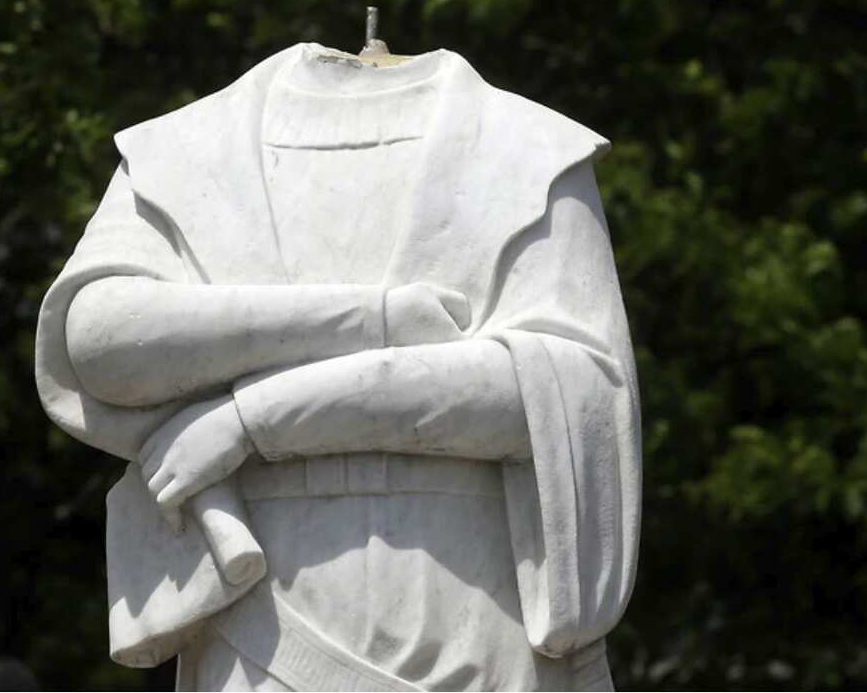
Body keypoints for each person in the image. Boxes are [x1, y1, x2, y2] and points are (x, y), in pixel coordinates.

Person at [35, 42, 641, 691]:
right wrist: (370, 318)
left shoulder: (529, 151)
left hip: (469, 628)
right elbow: (97, 339)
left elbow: (556, 393)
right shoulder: (190, 149)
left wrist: (249, 419)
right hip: (265, 632)